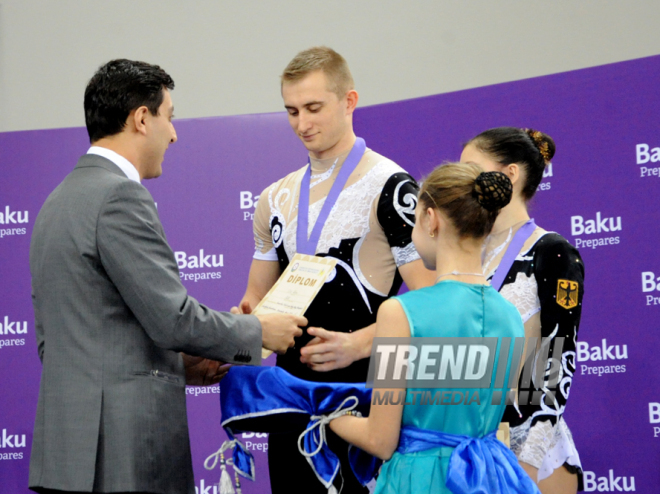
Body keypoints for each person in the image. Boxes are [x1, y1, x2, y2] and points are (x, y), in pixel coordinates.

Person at [28, 59, 306, 494]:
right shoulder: (120, 195)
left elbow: (68, 341)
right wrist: (258, 332)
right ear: (142, 118)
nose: (174, 134)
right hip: (125, 456)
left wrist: (177, 365)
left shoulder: (55, 202)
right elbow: (172, 319)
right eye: (169, 117)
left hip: (66, 457)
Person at [235, 46, 435, 493]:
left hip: (365, 395)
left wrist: (357, 345)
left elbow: (432, 303)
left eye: (313, 108)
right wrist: (232, 328)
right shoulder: (274, 198)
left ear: (349, 101)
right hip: (290, 398)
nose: (302, 124)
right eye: (291, 111)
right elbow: (256, 304)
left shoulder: (392, 186)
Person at [329, 163, 536, 494]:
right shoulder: (510, 315)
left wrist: (324, 415)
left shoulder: (401, 312)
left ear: (430, 219)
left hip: (420, 481)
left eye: (413, 221)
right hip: (492, 478)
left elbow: (379, 441)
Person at [460, 127, 585, 494]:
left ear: (510, 173)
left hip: (529, 449)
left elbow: (557, 356)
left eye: (471, 167)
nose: (463, 179)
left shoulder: (552, 250)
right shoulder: (466, 252)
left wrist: (527, 460)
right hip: (471, 440)